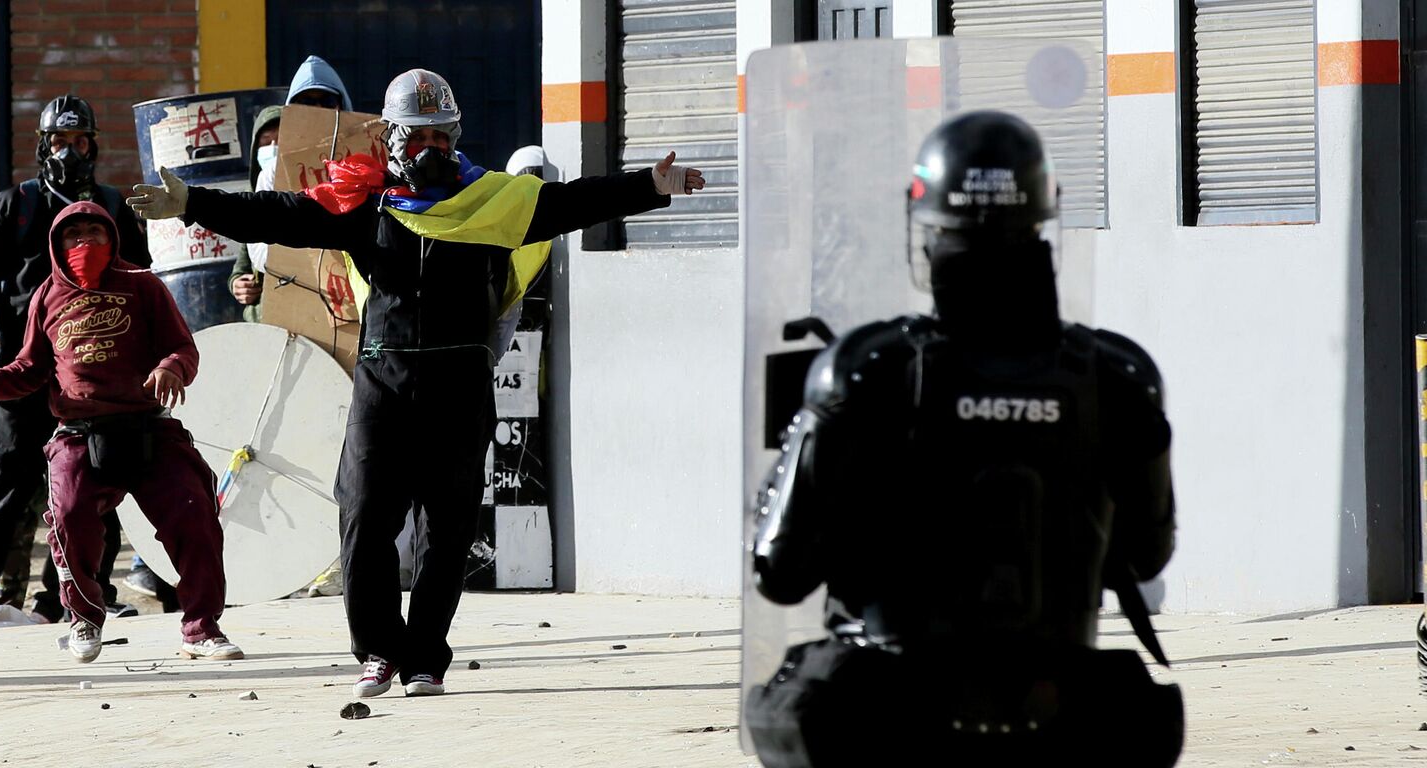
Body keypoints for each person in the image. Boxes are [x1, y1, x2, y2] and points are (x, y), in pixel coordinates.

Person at [128, 68, 704, 696]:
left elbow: (573, 203)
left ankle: (425, 656)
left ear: (455, 136)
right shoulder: (362, 205)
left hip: (459, 382)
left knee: (448, 525)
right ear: (392, 138)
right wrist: (192, 203)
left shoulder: (493, 202)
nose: (431, 148)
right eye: (418, 137)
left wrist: (651, 184)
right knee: (365, 514)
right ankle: (378, 650)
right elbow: (280, 216)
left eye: (442, 136)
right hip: (384, 381)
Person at [745, 111, 1182, 767]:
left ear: (928, 233)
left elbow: (780, 573)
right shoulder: (1118, 376)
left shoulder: (867, 370)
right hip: (1061, 729)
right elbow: (1147, 557)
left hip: (893, 728)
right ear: (1043, 223)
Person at [0, 201, 243, 664]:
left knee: (194, 514)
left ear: (113, 240)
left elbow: (181, 347)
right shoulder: (46, 296)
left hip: (149, 427)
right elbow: (30, 368)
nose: (85, 243)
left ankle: (201, 628)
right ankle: (85, 618)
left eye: (96, 232)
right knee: (70, 518)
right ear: (56, 244)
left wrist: (171, 367)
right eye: (74, 235)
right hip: (78, 432)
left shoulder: (142, 284)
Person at [0, 94, 153, 631]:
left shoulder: (112, 206)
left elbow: (141, 282)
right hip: (17, 368)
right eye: (59, 141)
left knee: (96, 485)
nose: (70, 151)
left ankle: (82, 595)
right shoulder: (13, 205)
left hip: (89, 371)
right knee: (0, 481)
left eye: (80, 140)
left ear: (95, 146)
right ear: (43, 146)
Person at [229, 55, 358, 324]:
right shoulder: (273, 176)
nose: (317, 110)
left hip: (349, 309)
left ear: (341, 106)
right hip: (290, 308)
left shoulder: (362, 167)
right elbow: (258, 254)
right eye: (307, 103)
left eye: (326, 102)